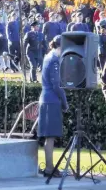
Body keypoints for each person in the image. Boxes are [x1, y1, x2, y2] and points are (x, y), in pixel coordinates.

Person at [38, 35, 68, 178]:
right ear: (60, 46)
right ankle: (49, 168)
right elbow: (57, 85)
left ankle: (50, 167)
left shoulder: (48, 57)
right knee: (50, 136)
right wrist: (65, 103)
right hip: (51, 100)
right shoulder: (54, 60)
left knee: (49, 136)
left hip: (46, 99)